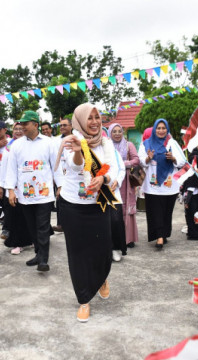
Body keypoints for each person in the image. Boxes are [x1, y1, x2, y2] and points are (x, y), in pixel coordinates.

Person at [57, 103, 119, 322]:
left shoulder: (106, 142)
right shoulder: (71, 141)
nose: (94, 122)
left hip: (98, 204)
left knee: (103, 249)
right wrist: (79, 153)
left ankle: (102, 278)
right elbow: (75, 168)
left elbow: (111, 166)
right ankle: (84, 299)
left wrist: (102, 177)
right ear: (80, 121)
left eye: (97, 117)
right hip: (73, 205)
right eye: (89, 118)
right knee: (78, 253)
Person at [5, 110, 62, 272]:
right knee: (31, 227)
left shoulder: (49, 142)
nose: (22, 126)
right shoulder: (16, 145)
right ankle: (38, 253)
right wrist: (11, 190)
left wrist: (60, 187)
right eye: (21, 123)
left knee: (42, 226)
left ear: (35, 125)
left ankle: (43, 259)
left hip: (44, 194)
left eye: (25, 123)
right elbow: (12, 170)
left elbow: (56, 166)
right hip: (25, 195)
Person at [138, 119, 185, 249]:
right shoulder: (146, 144)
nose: (161, 130)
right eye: (158, 128)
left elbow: (182, 161)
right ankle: (158, 237)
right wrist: (148, 157)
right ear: (154, 129)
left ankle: (163, 234)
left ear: (167, 129)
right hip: (152, 186)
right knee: (155, 212)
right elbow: (141, 161)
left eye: (163, 128)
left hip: (169, 185)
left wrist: (173, 158)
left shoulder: (172, 143)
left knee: (166, 212)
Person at [0, 122, 32, 255]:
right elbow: (4, 167)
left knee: (28, 216)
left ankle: (30, 240)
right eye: (16, 129)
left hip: (28, 186)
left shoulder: (29, 145)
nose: (18, 131)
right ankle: (17, 242)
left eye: (20, 129)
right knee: (15, 215)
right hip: (12, 186)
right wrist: (2, 186)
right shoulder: (8, 147)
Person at [108, 123, 139, 250]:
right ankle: (114, 239)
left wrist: (123, 163)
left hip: (125, 181)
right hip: (111, 181)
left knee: (127, 210)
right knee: (113, 210)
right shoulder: (107, 146)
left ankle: (128, 239)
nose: (117, 134)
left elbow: (136, 160)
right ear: (110, 133)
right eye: (114, 131)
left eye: (119, 131)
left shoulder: (128, 145)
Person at [52, 117, 73, 233]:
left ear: (71, 126)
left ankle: (72, 223)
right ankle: (60, 224)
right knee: (60, 199)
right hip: (60, 173)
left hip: (73, 174)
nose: (62, 127)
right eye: (60, 126)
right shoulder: (55, 141)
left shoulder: (77, 139)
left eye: (65, 125)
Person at [182, 151, 198, 241]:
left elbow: (189, 189)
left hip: (191, 197)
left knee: (191, 216)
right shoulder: (197, 174)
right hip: (195, 198)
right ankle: (194, 232)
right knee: (195, 216)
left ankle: (195, 233)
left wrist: (186, 201)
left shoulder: (190, 174)